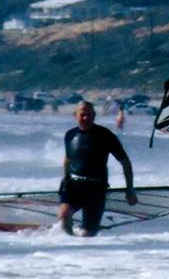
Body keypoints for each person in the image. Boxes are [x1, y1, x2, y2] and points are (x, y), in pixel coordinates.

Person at [58, 101, 137, 236]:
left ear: (94, 116)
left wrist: (129, 189)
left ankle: (83, 245)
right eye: (83, 115)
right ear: (75, 115)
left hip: (95, 189)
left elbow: (125, 162)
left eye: (89, 115)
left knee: (87, 235)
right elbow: (68, 159)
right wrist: (65, 178)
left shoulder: (105, 135)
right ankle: (70, 243)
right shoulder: (70, 135)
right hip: (73, 186)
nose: (86, 118)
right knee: (64, 215)